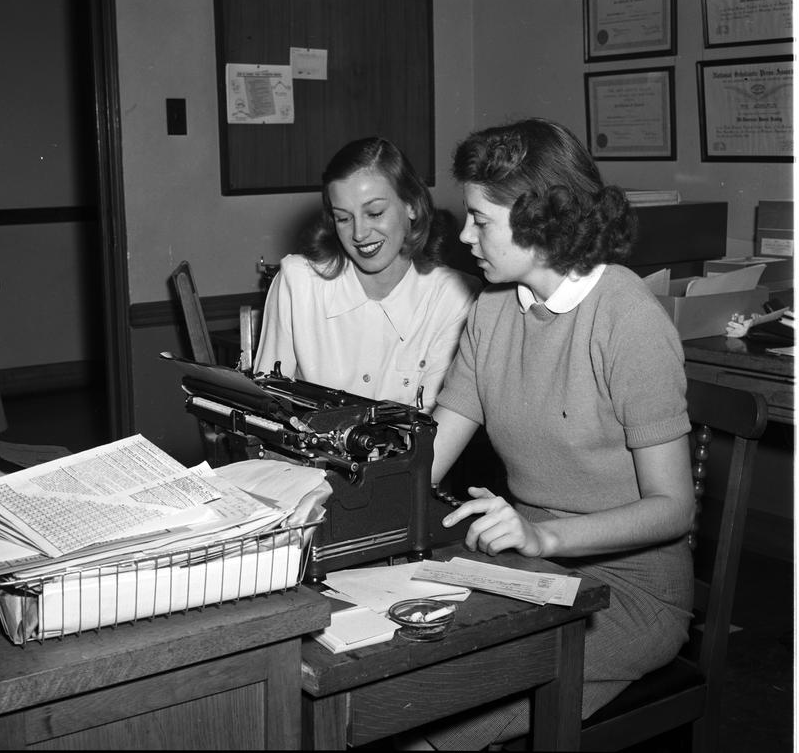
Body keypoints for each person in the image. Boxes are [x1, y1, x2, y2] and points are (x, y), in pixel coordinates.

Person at [422, 118, 695, 749]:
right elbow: (431, 452)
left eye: (479, 220)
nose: (464, 236)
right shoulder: (493, 307)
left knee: (435, 711)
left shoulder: (627, 319)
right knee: (389, 668)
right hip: (526, 569)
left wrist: (544, 535)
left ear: (538, 219)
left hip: (628, 590)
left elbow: (673, 509)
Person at [253, 137, 480, 413]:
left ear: (411, 206)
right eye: (343, 218)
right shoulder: (297, 281)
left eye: (374, 213)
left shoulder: (454, 297)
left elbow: (435, 431)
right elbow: (264, 406)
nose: (359, 234)